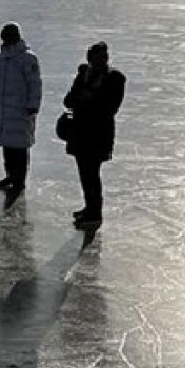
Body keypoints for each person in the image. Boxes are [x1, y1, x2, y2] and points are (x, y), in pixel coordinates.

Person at [63, 42, 126, 230]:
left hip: (98, 135)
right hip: (80, 133)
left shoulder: (115, 79)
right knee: (85, 173)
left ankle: (95, 212)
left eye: (104, 57)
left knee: (92, 174)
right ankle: (89, 207)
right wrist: (81, 97)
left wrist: (87, 101)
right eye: (98, 57)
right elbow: (68, 100)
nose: (102, 61)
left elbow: (111, 108)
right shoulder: (83, 75)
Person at [0, 22, 42, 196]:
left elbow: (35, 84)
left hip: (21, 111)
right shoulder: (0, 59)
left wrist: (33, 105)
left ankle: (20, 180)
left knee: (20, 148)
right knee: (8, 147)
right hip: (4, 111)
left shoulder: (28, 59)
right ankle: (10, 176)